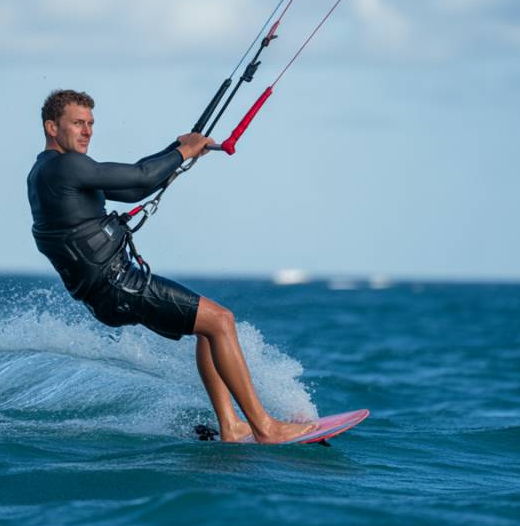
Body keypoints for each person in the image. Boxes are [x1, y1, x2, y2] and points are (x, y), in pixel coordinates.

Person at [27, 89, 315, 443]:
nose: (86, 131)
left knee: (208, 328)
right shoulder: (66, 165)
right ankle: (265, 427)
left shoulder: (46, 171)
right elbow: (140, 177)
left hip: (107, 292)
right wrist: (183, 151)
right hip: (118, 283)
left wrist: (176, 148)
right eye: (77, 123)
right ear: (51, 127)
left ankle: (231, 425)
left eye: (90, 124)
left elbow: (134, 190)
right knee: (221, 321)